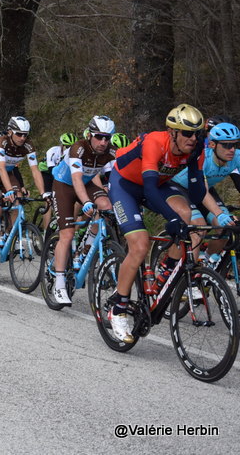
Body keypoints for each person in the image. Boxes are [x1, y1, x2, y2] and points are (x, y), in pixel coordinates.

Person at [107, 104, 207, 343]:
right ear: (172, 132)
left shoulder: (196, 149)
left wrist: (199, 219)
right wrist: (171, 219)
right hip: (126, 185)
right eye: (187, 133)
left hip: (158, 184)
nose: (193, 138)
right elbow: (149, 189)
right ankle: (118, 308)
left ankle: (166, 270)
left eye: (197, 133)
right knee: (140, 245)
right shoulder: (155, 142)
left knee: (190, 218)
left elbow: (196, 189)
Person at [49, 116, 117, 306]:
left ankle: (84, 248)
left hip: (86, 184)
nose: (103, 142)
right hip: (64, 185)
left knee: (106, 206)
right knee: (68, 234)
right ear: (89, 135)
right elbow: (76, 180)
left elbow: (121, 173)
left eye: (107, 138)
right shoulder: (78, 148)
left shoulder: (111, 150)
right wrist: (86, 202)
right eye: (99, 137)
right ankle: (60, 282)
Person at [0, 116, 48, 266]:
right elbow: (1, 168)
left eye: (25, 134)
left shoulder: (28, 146)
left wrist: (43, 192)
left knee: (18, 202)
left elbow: (35, 170)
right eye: (19, 134)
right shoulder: (1, 142)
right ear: (10, 132)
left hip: (8, 174)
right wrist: (9, 190)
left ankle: (9, 234)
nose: (23, 138)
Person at [170, 122, 240, 264]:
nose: (231, 149)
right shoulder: (204, 159)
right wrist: (219, 214)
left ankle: (208, 261)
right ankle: (190, 280)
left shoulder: (236, 157)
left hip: (204, 190)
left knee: (226, 229)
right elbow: (203, 191)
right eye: (226, 145)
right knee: (198, 230)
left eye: (235, 145)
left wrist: (222, 217)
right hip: (181, 188)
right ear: (213, 145)